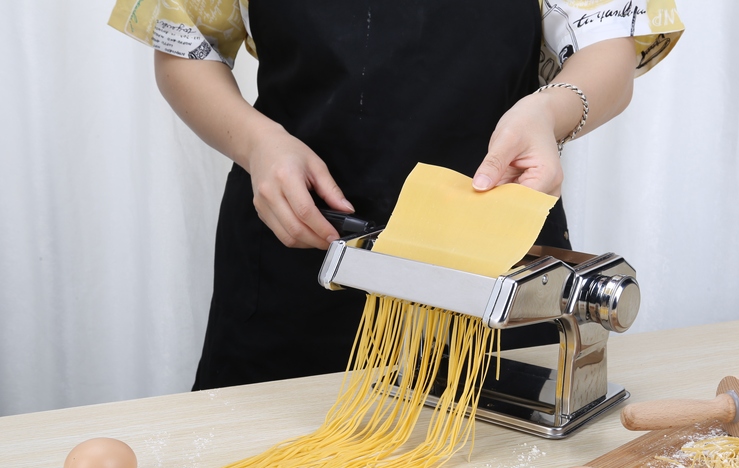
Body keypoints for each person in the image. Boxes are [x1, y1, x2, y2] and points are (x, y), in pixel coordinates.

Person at [108, 1, 683, 390]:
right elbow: (186, 48)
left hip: (487, 259)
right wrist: (258, 145)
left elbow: (608, 47)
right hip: (299, 246)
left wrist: (551, 110)